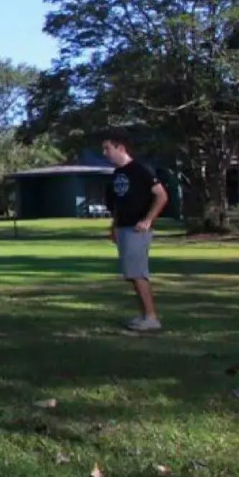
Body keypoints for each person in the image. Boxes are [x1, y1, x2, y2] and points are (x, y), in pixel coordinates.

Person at [102, 131, 169, 332]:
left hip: (137, 229)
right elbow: (117, 205)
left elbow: (162, 196)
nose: (105, 153)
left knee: (137, 273)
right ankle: (145, 315)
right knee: (131, 274)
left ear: (120, 148)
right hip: (123, 228)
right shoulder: (116, 175)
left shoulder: (140, 170)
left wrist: (148, 220)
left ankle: (151, 317)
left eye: (107, 148)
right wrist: (113, 227)